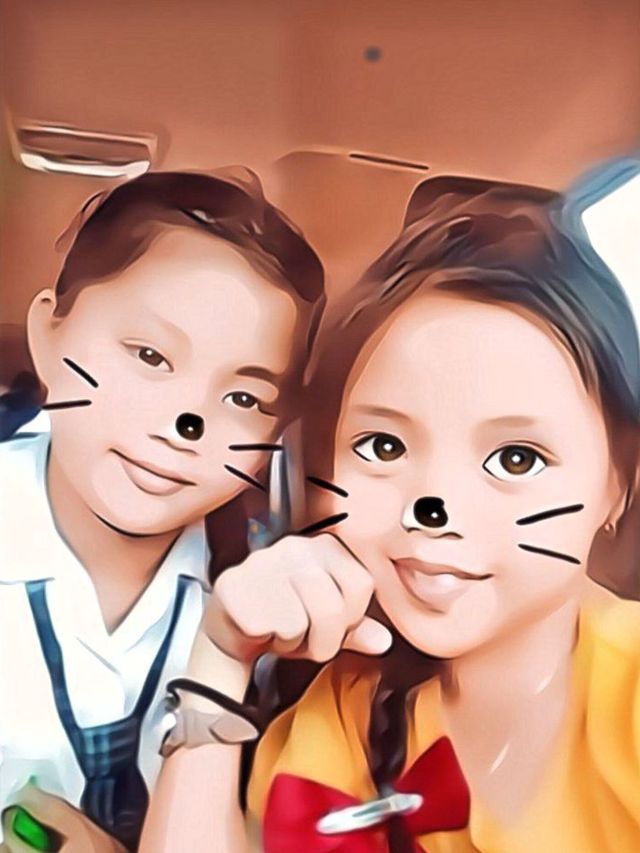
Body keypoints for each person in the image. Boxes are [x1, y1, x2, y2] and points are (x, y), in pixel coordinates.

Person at [141, 175, 640, 852]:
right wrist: (221, 656)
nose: (434, 507)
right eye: (383, 446)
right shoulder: (346, 708)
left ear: (618, 484)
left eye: (516, 459)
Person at [0, 168, 325, 851]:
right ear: (48, 335)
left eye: (244, 399)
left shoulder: (263, 595)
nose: (187, 423)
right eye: (150, 355)